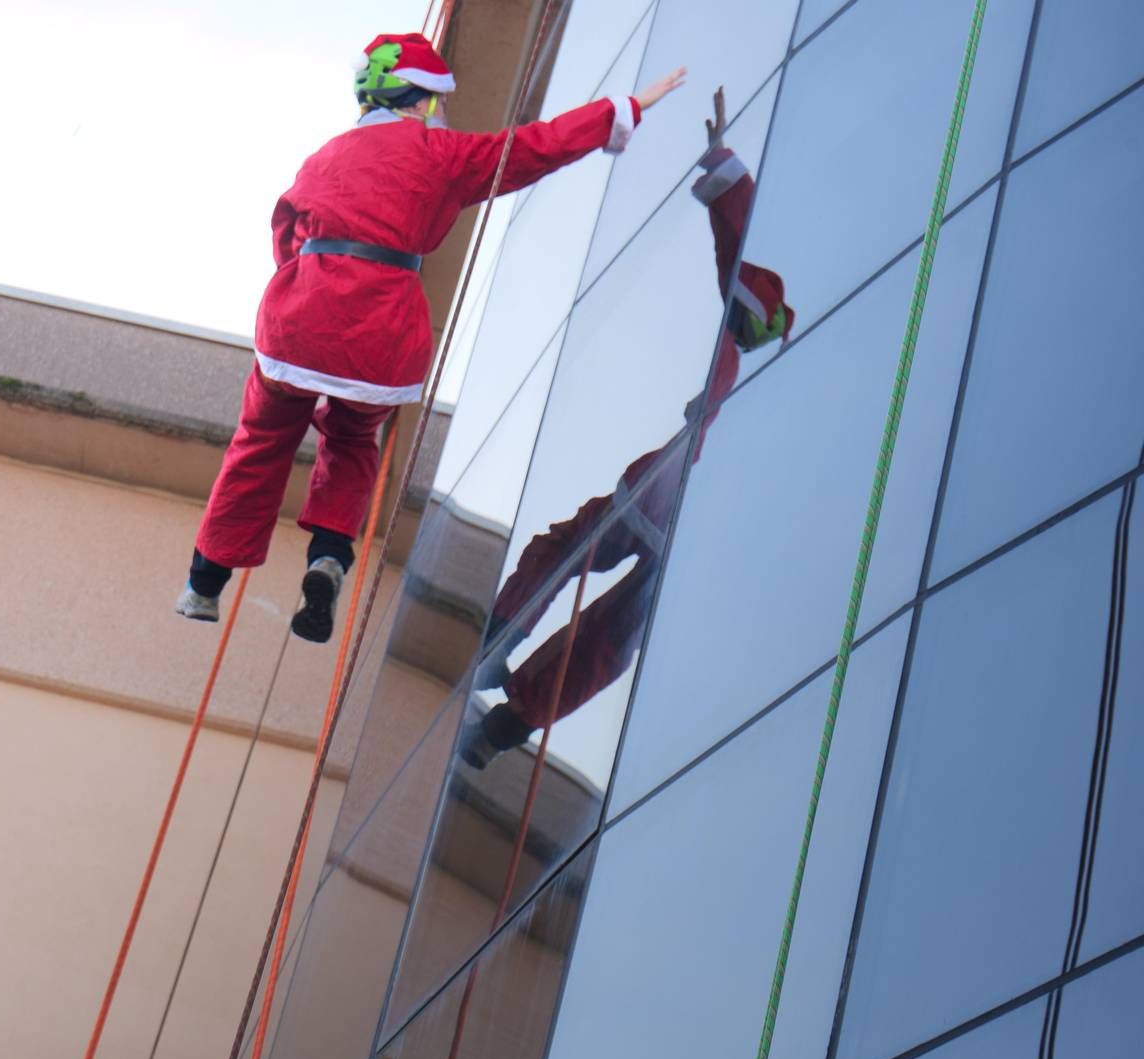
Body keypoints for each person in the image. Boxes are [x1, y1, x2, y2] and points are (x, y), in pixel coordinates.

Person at [175, 32, 687, 642]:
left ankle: (204, 583)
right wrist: (621, 110)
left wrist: (307, 284)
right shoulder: (442, 153)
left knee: (260, 441)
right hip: (382, 338)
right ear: (421, 100)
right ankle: (328, 557)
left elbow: (285, 233)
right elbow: (535, 147)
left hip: (300, 324)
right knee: (353, 440)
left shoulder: (324, 157)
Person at [459, 87, 796, 768]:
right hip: (702, 533)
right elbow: (742, 275)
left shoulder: (757, 347)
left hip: (672, 491)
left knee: (570, 550)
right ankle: (508, 722)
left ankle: (504, 644)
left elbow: (740, 268)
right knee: (612, 638)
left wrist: (725, 169)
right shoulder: (790, 391)